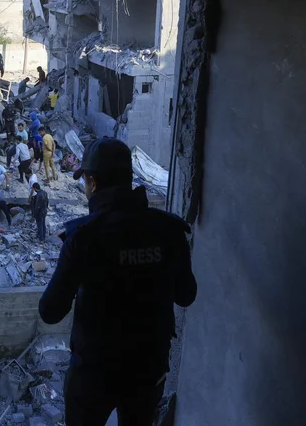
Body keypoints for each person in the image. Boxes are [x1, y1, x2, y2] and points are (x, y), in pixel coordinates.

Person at [38, 138, 197, 426]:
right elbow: (186, 295)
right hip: (147, 370)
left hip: (94, 372)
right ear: (128, 178)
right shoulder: (168, 231)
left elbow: (49, 312)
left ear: (92, 182)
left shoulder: (83, 237)